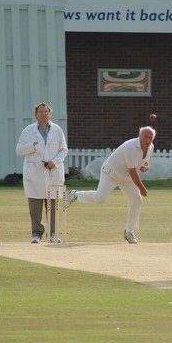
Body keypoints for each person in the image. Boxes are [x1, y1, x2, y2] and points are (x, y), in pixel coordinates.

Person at [65, 126, 156, 244]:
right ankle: (75, 194)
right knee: (100, 198)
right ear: (140, 136)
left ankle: (129, 231)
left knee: (137, 200)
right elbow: (133, 172)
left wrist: (145, 165)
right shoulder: (131, 147)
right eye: (146, 137)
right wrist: (142, 188)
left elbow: (144, 160)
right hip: (111, 173)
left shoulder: (151, 147)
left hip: (126, 178)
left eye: (150, 138)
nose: (148, 140)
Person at [16, 102, 68, 243]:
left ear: (49, 113)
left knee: (52, 206)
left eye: (46, 111)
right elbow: (19, 150)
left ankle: (52, 234)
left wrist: (54, 162)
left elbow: (63, 150)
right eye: (40, 111)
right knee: (35, 207)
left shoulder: (57, 130)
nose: (43, 114)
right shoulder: (28, 131)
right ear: (35, 114)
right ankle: (36, 234)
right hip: (35, 173)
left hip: (52, 172)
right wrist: (32, 146)